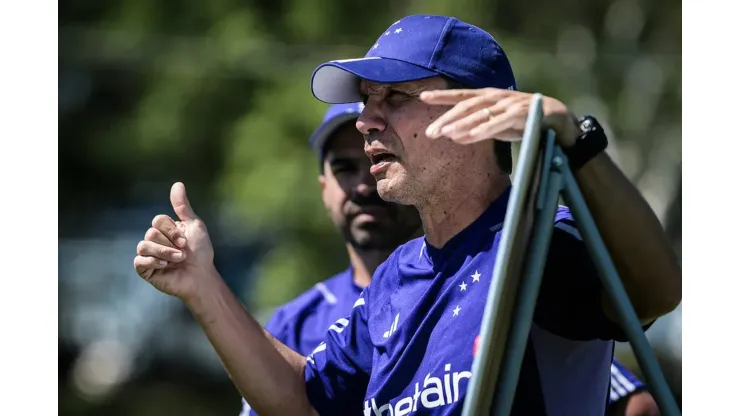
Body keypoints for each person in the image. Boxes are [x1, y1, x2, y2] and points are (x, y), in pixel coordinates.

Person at [133, 14, 681, 415]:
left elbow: (655, 295)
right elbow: (303, 399)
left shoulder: (537, 240)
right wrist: (202, 286)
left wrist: (574, 141)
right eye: (366, 101)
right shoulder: (397, 274)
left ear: (477, 110)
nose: (366, 122)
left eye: (393, 97)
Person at [238, 103, 422, 415]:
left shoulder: (464, 286)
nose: (365, 186)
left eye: (380, 161)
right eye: (345, 169)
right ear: (324, 189)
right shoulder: (292, 327)